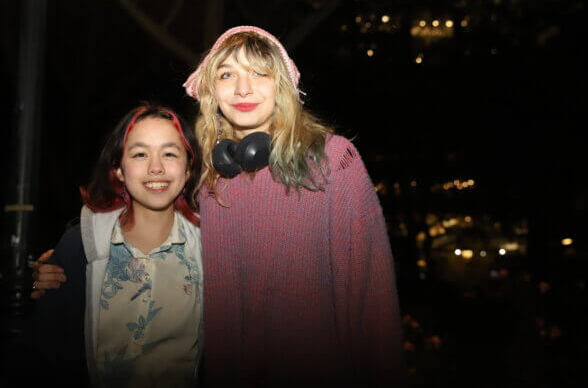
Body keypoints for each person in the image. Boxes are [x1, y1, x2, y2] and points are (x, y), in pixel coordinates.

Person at [34, 26, 404, 387]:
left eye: (260, 73)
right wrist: (67, 265)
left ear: (284, 87)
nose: (243, 88)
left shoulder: (333, 161)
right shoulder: (212, 184)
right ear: (212, 92)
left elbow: (375, 306)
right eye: (227, 74)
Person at [27, 104, 203, 388]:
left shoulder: (214, 250)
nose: (156, 167)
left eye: (169, 153)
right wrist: (36, 288)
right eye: (140, 154)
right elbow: (46, 354)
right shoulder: (80, 247)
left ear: (189, 168)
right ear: (119, 170)